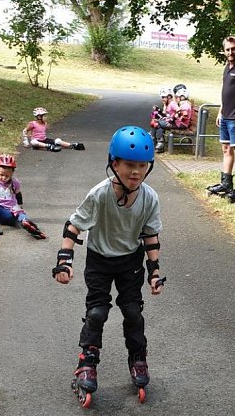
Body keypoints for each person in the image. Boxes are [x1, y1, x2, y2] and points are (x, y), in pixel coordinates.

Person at [52, 125, 164, 397]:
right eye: (129, 165)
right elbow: (73, 226)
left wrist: (154, 270)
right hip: (100, 260)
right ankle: (87, 362)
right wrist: (64, 260)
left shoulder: (149, 198)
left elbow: (150, 235)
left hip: (130, 262)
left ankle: (138, 358)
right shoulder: (100, 194)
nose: (135, 172)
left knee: (133, 312)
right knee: (97, 312)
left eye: (142, 166)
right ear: (114, 163)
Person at [206, 35, 235, 203]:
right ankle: (226, 184)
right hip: (226, 115)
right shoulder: (227, 67)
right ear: (224, 51)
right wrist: (220, 112)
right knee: (226, 149)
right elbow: (225, 92)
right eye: (227, 49)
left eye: (233, 49)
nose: (230, 52)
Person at [152, 87, 179, 153]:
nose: (162, 99)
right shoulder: (167, 104)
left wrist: (172, 119)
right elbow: (165, 114)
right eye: (162, 97)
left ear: (169, 97)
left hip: (174, 123)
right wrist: (158, 110)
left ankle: (160, 142)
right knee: (154, 121)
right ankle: (154, 139)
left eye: (164, 97)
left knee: (157, 124)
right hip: (169, 121)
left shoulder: (172, 104)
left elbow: (179, 111)